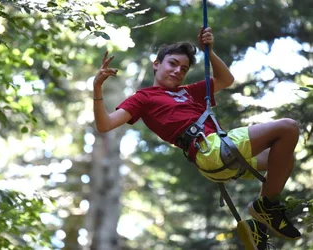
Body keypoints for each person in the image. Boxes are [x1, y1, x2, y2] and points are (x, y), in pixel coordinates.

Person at [92, 26, 302, 250]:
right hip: (211, 150)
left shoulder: (187, 91)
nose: (177, 71)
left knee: (284, 158)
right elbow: (105, 125)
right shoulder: (143, 98)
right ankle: (266, 207)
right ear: (157, 64)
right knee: (288, 127)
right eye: (172, 63)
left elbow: (226, 79)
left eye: (183, 69)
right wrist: (97, 87)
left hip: (221, 152)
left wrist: (208, 51)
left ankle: (259, 226)